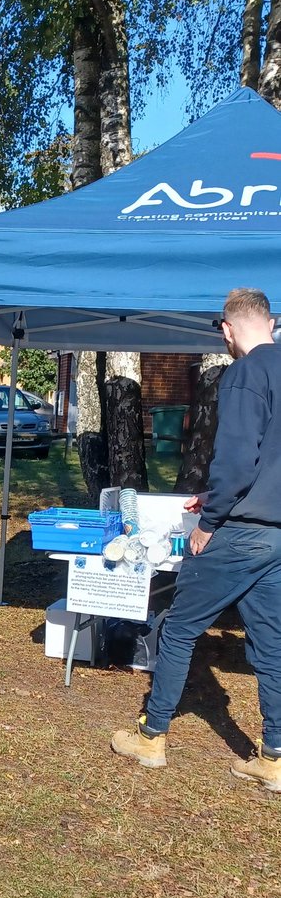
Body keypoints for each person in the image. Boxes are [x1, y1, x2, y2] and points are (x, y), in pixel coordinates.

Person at [111, 287, 281, 790]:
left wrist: (209, 521)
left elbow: (237, 457)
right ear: (270, 322)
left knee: (180, 628)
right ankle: (274, 757)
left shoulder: (245, 373)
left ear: (228, 330)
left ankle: (152, 735)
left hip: (239, 531)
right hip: (276, 534)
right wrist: (213, 495)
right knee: (272, 645)